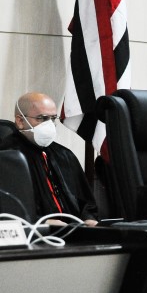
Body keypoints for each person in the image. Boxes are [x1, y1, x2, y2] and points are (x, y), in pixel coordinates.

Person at [0, 92, 98, 225]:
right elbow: (9, 210)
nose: (50, 124)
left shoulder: (64, 155)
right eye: (42, 118)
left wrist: (89, 218)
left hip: (75, 233)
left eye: (53, 118)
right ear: (20, 121)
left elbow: (86, 203)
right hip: (36, 236)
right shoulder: (7, 158)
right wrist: (42, 222)